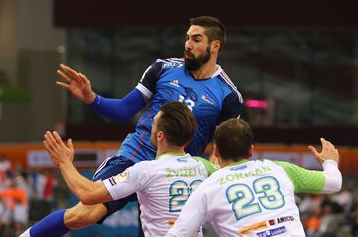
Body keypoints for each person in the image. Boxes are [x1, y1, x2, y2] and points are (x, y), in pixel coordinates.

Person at [25, 15, 242, 235]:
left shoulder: (228, 95)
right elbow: (124, 110)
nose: (188, 44)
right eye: (187, 38)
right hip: (135, 157)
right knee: (84, 214)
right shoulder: (163, 69)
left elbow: (221, 149)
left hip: (176, 174)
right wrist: (92, 98)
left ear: (215, 46)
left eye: (196, 39)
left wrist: (211, 176)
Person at [21, 102, 217, 237]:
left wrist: (64, 163)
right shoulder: (202, 166)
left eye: (153, 123)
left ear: (159, 136)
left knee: (83, 213)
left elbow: (88, 194)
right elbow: (226, 171)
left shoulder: (144, 170)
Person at [166, 118, 342, 237]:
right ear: (251, 150)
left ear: (217, 151)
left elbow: (177, 234)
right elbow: (334, 182)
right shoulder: (278, 169)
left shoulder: (207, 187)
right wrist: (330, 162)